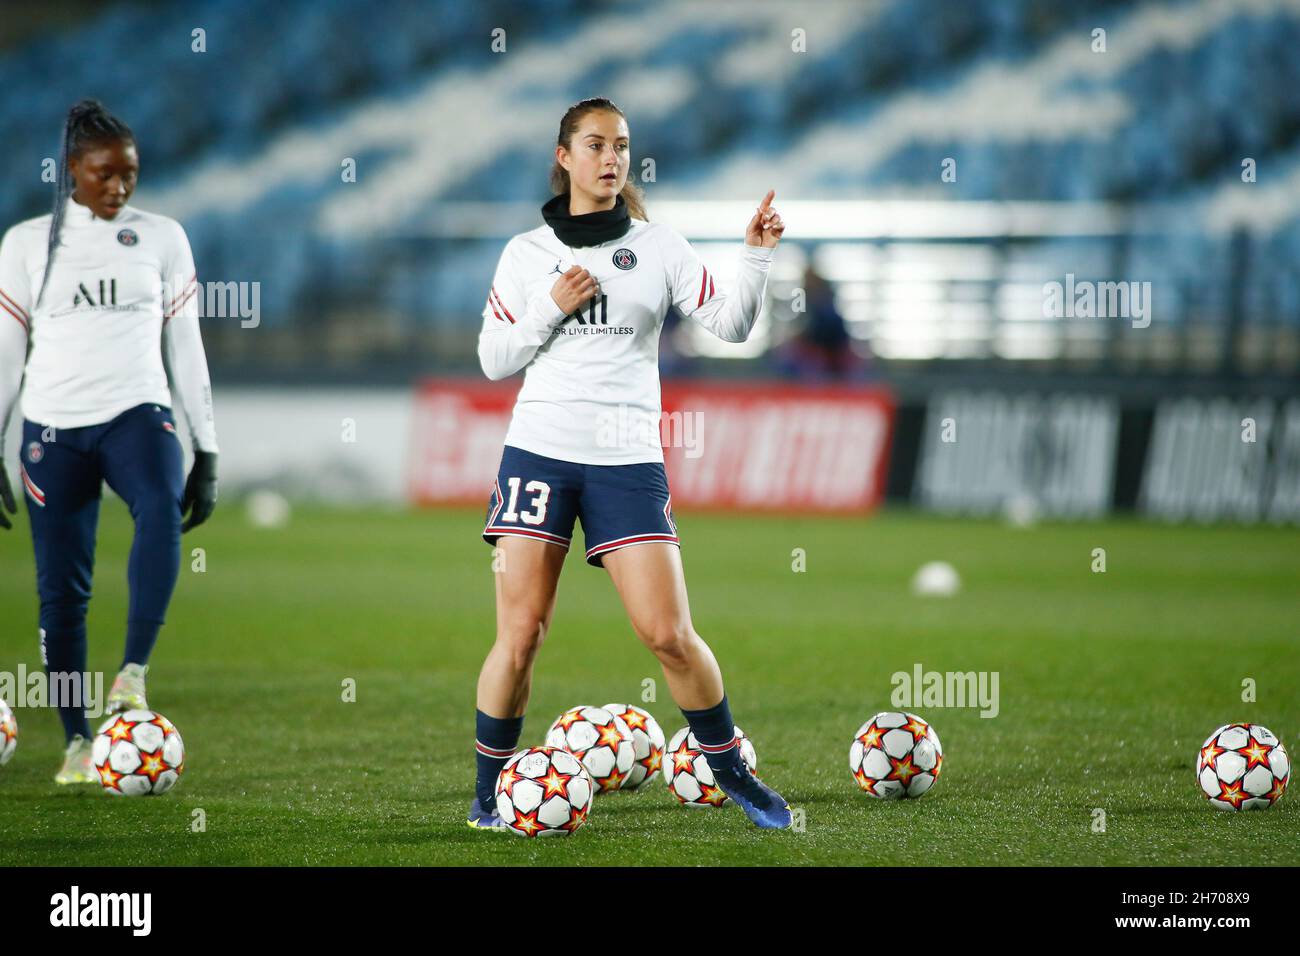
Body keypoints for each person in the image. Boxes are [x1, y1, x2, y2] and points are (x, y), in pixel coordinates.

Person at [470, 97, 790, 830]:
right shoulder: (526, 255)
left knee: (667, 634)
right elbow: (493, 359)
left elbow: (732, 324)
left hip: (627, 460)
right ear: (564, 157)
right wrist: (549, 306)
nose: (611, 158)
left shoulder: (660, 247)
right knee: (520, 637)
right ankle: (488, 795)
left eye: (620, 146)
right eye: (594, 145)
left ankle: (733, 773)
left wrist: (756, 255)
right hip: (540, 455)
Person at [0, 100, 219, 785]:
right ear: (71, 172)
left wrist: (205, 446)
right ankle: (74, 742)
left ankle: (132, 674)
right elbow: (7, 352)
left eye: (130, 174)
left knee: (159, 507)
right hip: (52, 430)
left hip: (137, 414)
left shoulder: (162, 237)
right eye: (105, 174)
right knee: (62, 594)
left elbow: (186, 344)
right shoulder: (26, 244)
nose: (120, 188)